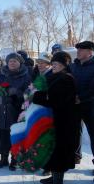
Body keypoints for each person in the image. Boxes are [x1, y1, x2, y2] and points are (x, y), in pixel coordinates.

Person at [34, 51, 78, 184]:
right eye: (53, 63)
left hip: (62, 122)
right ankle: (54, 177)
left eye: (57, 64)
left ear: (64, 65)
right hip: (53, 119)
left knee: (59, 151)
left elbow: (57, 102)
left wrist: (37, 97)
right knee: (52, 149)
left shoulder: (66, 79)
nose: (54, 66)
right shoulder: (54, 77)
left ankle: (58, 180)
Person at [0, 52, 31, 170]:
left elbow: (29, 95)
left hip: (16, 111)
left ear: (20, 62)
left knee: (15, 136)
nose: (12, 63)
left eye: (14, 61)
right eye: (10, 61)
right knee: (3, 136)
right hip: (1, 110)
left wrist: (16, 96)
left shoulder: (25, 76)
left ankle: (15, 160)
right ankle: (3, 159)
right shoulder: (0, 75)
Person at [70, 41, 94, 173]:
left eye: (81, 49)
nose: (78, 51)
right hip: (75, 105)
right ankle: (75, 156)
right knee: (74, 131)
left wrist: (80, 98)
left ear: (90, 52)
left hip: (90, 105)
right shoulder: (74, 66)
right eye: (77, 49)